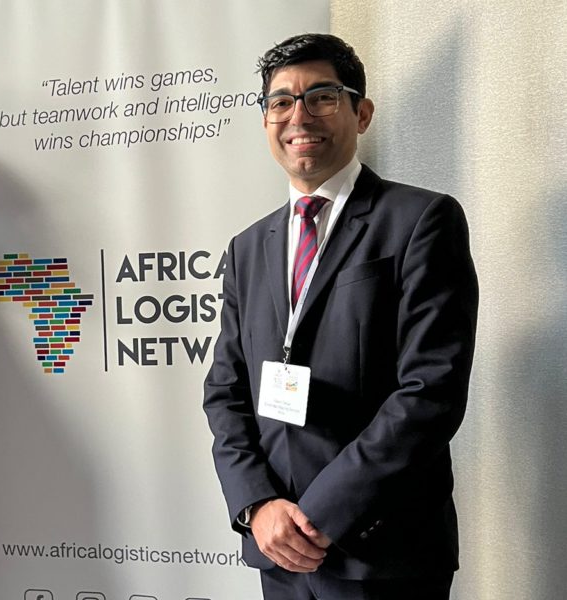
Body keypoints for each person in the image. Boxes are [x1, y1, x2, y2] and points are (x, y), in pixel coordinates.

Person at [203, 34, 478, 600]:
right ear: (265, 121)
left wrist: (322, 514)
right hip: (279, 554)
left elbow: (431, 390)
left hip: (382, 554)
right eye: (281, 102)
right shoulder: (248, 248)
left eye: (321, 97)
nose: (298, 116)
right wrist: (257, 505)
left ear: (362, 112)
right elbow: (225, 392)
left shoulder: (421, 220)